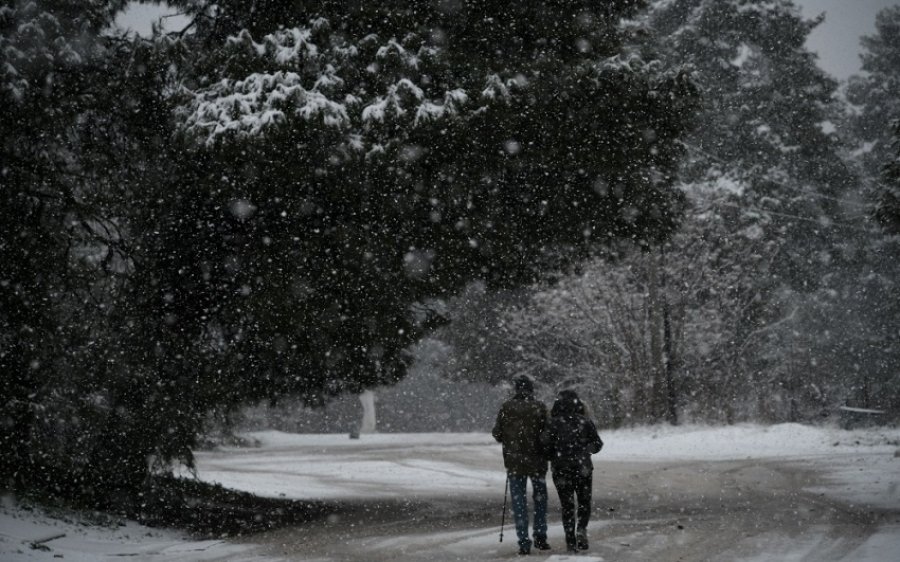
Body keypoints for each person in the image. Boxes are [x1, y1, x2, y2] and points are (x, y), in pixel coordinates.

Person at [492, 374, 551, 555]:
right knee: (540, 498)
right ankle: (540, 536)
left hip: (514, 462)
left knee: (519, 502)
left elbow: (497, 434)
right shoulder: (540, 407)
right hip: (537, 462)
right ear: (531, 389)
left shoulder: (506, 407)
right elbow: (549, 433)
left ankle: (524, 541)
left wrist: (511, 439)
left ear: (516, 389)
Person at [543, 389, 603, 553]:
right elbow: (598, 444)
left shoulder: (552, 423)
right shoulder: (585, 422)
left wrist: (554, 456)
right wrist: (585, 451)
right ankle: (581, 529)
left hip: (561, 468)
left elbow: (544, 446)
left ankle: (570, 539)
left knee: (567, 505)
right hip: (583, 467)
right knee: (584, 502)